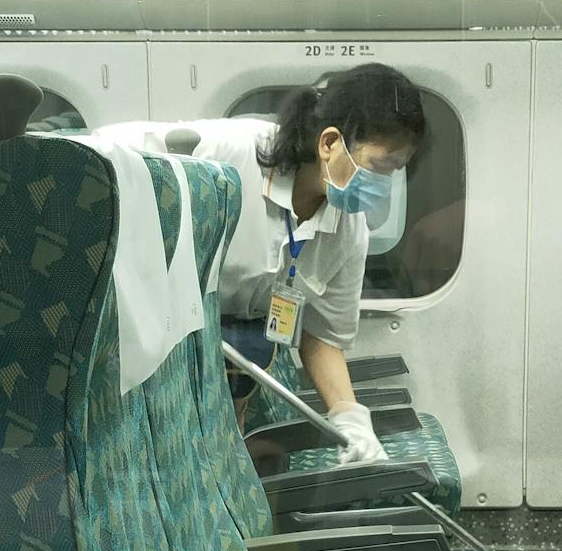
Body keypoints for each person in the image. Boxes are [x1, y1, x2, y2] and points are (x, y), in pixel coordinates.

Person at [84, 63, 426, 465]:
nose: (383, 186)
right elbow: (103, 153)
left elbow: (323, 336)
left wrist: (351, 418)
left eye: (394, 173)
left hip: (239, 358)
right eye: (380, 167)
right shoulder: (224, 157)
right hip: (165, 339)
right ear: (330, 143)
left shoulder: (350, 231)